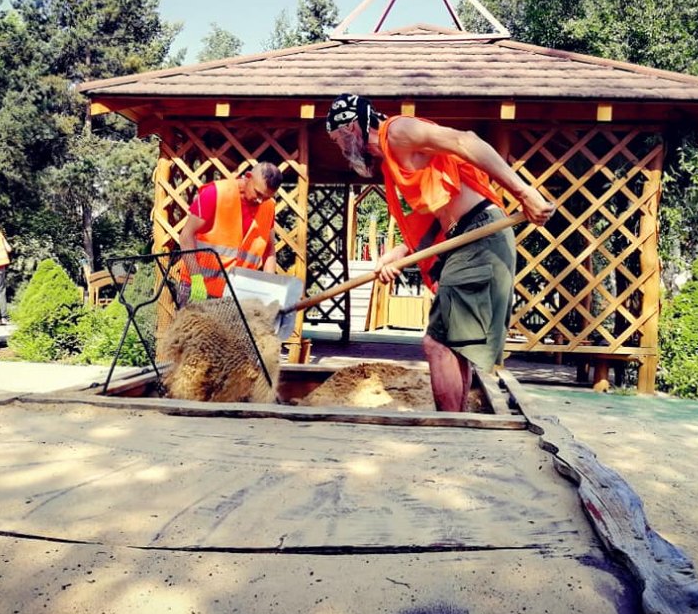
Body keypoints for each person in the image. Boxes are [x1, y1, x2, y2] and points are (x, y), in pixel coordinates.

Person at [326, 94, 555, 412]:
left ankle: (452, 428)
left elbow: (465, 141)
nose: (341, 149)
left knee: (437, 343)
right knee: (453, 345)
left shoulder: (398, 131)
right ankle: (459, 422)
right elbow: (438, 216)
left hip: (479, 234)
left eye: (337, 139)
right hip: (461, 239)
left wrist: (524, 192)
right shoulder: (392, 160)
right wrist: (400, 252)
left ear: (351, 127)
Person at [177, 162, 283, 303]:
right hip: (198, 288)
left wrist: (268, 287)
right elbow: (186, 236)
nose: (260, 200)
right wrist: (196, 279)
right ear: (248, 177)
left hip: (235, 296)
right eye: (258, 193)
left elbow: (269, 250)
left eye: (266, 197)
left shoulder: (268, 207)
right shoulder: (215, 193)